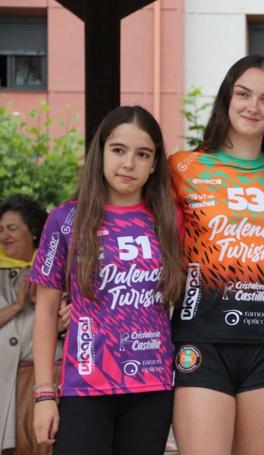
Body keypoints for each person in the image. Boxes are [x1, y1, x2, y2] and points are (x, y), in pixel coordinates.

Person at [30, 105, 185, 454]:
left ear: (155, 163)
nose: (129, 163)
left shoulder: (172, 220)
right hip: (84, 388)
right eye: (118, 150)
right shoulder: (66, 219)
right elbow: (45, 310)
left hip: (152, 389)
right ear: (100, 152)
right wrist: (43, 395)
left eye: (142, 154)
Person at [169, 55, 264, 455]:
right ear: (227, 97)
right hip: (200, 339)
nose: (252, 107)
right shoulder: (182, 167)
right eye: (243, 94)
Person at [0, 195, 67, 455]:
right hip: (8, 382)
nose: (5, 235)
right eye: (1, 229)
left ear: (34, 232)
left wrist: (47, 307)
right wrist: (16, 306)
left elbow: (68, 321)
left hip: (47, 378)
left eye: (13, 228)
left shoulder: (57, 266)